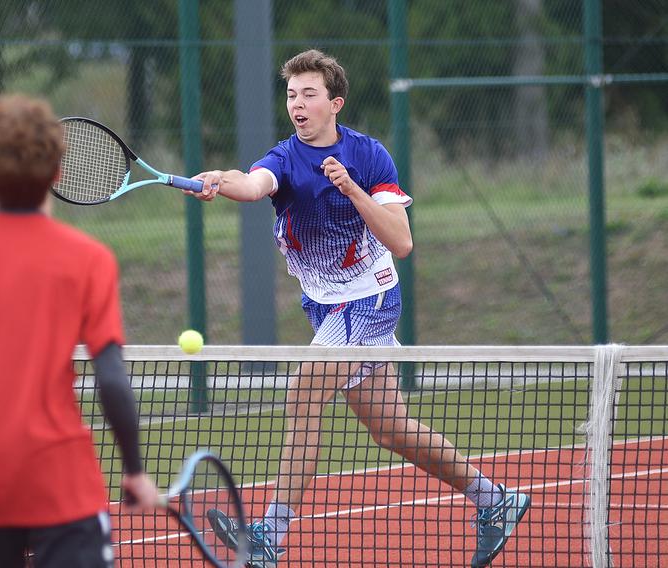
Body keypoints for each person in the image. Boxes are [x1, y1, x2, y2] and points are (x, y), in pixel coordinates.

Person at [188, 50, 529, 568]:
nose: (297, 105)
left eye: (308, 94)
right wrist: (220, 177)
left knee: (304, 390)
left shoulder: (370, 158)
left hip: (369, 298)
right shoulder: (283, 158)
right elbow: (252, 185)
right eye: (291, 95)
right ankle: (494, 500)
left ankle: (269, 535)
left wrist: (350, 187)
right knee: (389, 429)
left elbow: (401, 242)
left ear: (334, 103)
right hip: (326, 307)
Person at [0, 94, 159, 568]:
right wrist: (135, 472)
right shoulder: (88, 259)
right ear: (57, 174)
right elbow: (112, 379)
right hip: (58, 477)